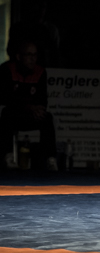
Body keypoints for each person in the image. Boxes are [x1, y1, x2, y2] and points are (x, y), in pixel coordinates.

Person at [0, 41, 58, 170]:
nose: (33, 59)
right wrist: (27, 107)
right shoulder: (7, 69)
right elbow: (5, 98)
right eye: (29, 55)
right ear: (19, 56)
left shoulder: (40, 72)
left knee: (47, 118)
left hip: (31, 115)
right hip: (14, 114)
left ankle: (50, 159)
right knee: (5, 113)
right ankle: (8, 156)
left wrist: (38, 109)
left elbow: (42, 99)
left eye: (35, 55)